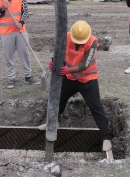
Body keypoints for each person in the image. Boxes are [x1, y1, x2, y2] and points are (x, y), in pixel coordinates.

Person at [38, 20, 112, 153]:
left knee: (96, 107)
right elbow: (59, 51)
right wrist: (53, 62)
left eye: (81, 41)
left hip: (88, 80)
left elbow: (85, 64)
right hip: (70, 79)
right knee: (57, 100)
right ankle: (53, 123)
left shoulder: (92, 42)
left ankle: (106, 137)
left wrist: (68, 70)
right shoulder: (66, 37)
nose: (78, 43)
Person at [0, 0, 40, 89]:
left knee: (25, 54)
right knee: (8, 56)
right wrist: (1, 9)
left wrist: (21, 22)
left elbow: (26, 12)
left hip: (20, 30)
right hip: (6, 33)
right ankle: (11, 79)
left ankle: (28, 76)